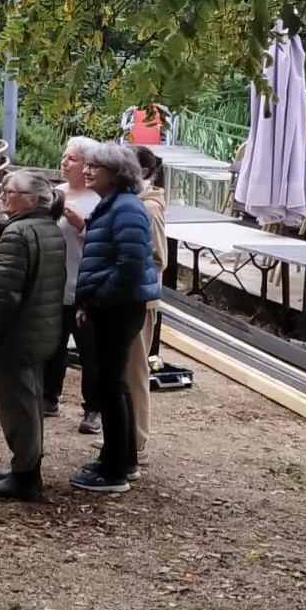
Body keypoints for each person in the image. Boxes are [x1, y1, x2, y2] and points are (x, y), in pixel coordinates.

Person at [0, 169, 67, 499]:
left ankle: (25, 476)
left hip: (17, 336)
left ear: (33, 199)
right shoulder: (49, 228)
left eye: (10, 191)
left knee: (18, 406)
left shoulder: (17, 234)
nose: (3, 194)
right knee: (31, 400)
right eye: (3, 189)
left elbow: (4, 295)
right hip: (41, 333)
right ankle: (26, 466)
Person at [70, 141, 160, 494]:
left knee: (111, 385)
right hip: (114, 305)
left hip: (118, 308)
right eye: (88, 165)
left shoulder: (126, 209)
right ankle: (122, 459)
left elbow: (130, 267)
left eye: (97, 167)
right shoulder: (113, 205)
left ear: (117, 174)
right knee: (114, 385)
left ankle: (114, 472)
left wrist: (95, 300)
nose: (88, 171)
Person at [44, 136, 102, 426]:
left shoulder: (98, 200)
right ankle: (48, 397)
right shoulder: (55, 194)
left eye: (73, 159)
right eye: (64, 157)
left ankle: (93, 408)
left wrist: (82, 226)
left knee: (90, 351)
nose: (65, 163)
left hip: (85, 287)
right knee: (52, 346)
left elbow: (105, 244)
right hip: (54, 285)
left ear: (88, 165)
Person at [129, 145, 171, 462]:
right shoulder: (134, 204)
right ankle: (126, 435)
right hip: (129, 299)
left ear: (143, 171)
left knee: (135, 372)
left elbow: (158, 259)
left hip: (140, 302)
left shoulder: (149, 209)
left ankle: (138, 442)